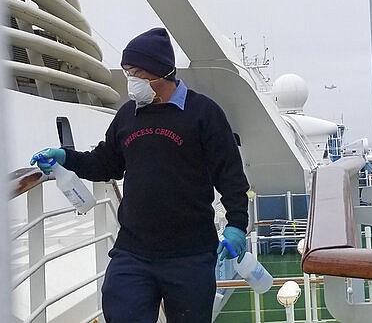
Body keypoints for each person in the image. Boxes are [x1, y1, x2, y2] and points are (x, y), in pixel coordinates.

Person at [30, 27, 250, 323]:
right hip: (134, 251)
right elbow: (105, 164)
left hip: (191, 255)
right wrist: (66, 158)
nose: (130, 80)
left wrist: (236, 224)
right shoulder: (127, 115)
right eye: (126, 71)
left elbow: (231, 174)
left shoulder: (204, 113)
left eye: (135, 72)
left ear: (160, 72)